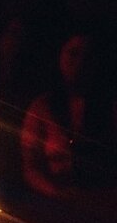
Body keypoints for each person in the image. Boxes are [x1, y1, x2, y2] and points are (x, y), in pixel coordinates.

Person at [20, 32, 117, 198]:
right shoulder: (42, 107)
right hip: (51, 201)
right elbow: (30, 167)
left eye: (87, 57)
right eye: (73, 54)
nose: (80, 63)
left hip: (101, 201)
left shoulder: (111, 107)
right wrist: (57, 194)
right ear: (60, 56)